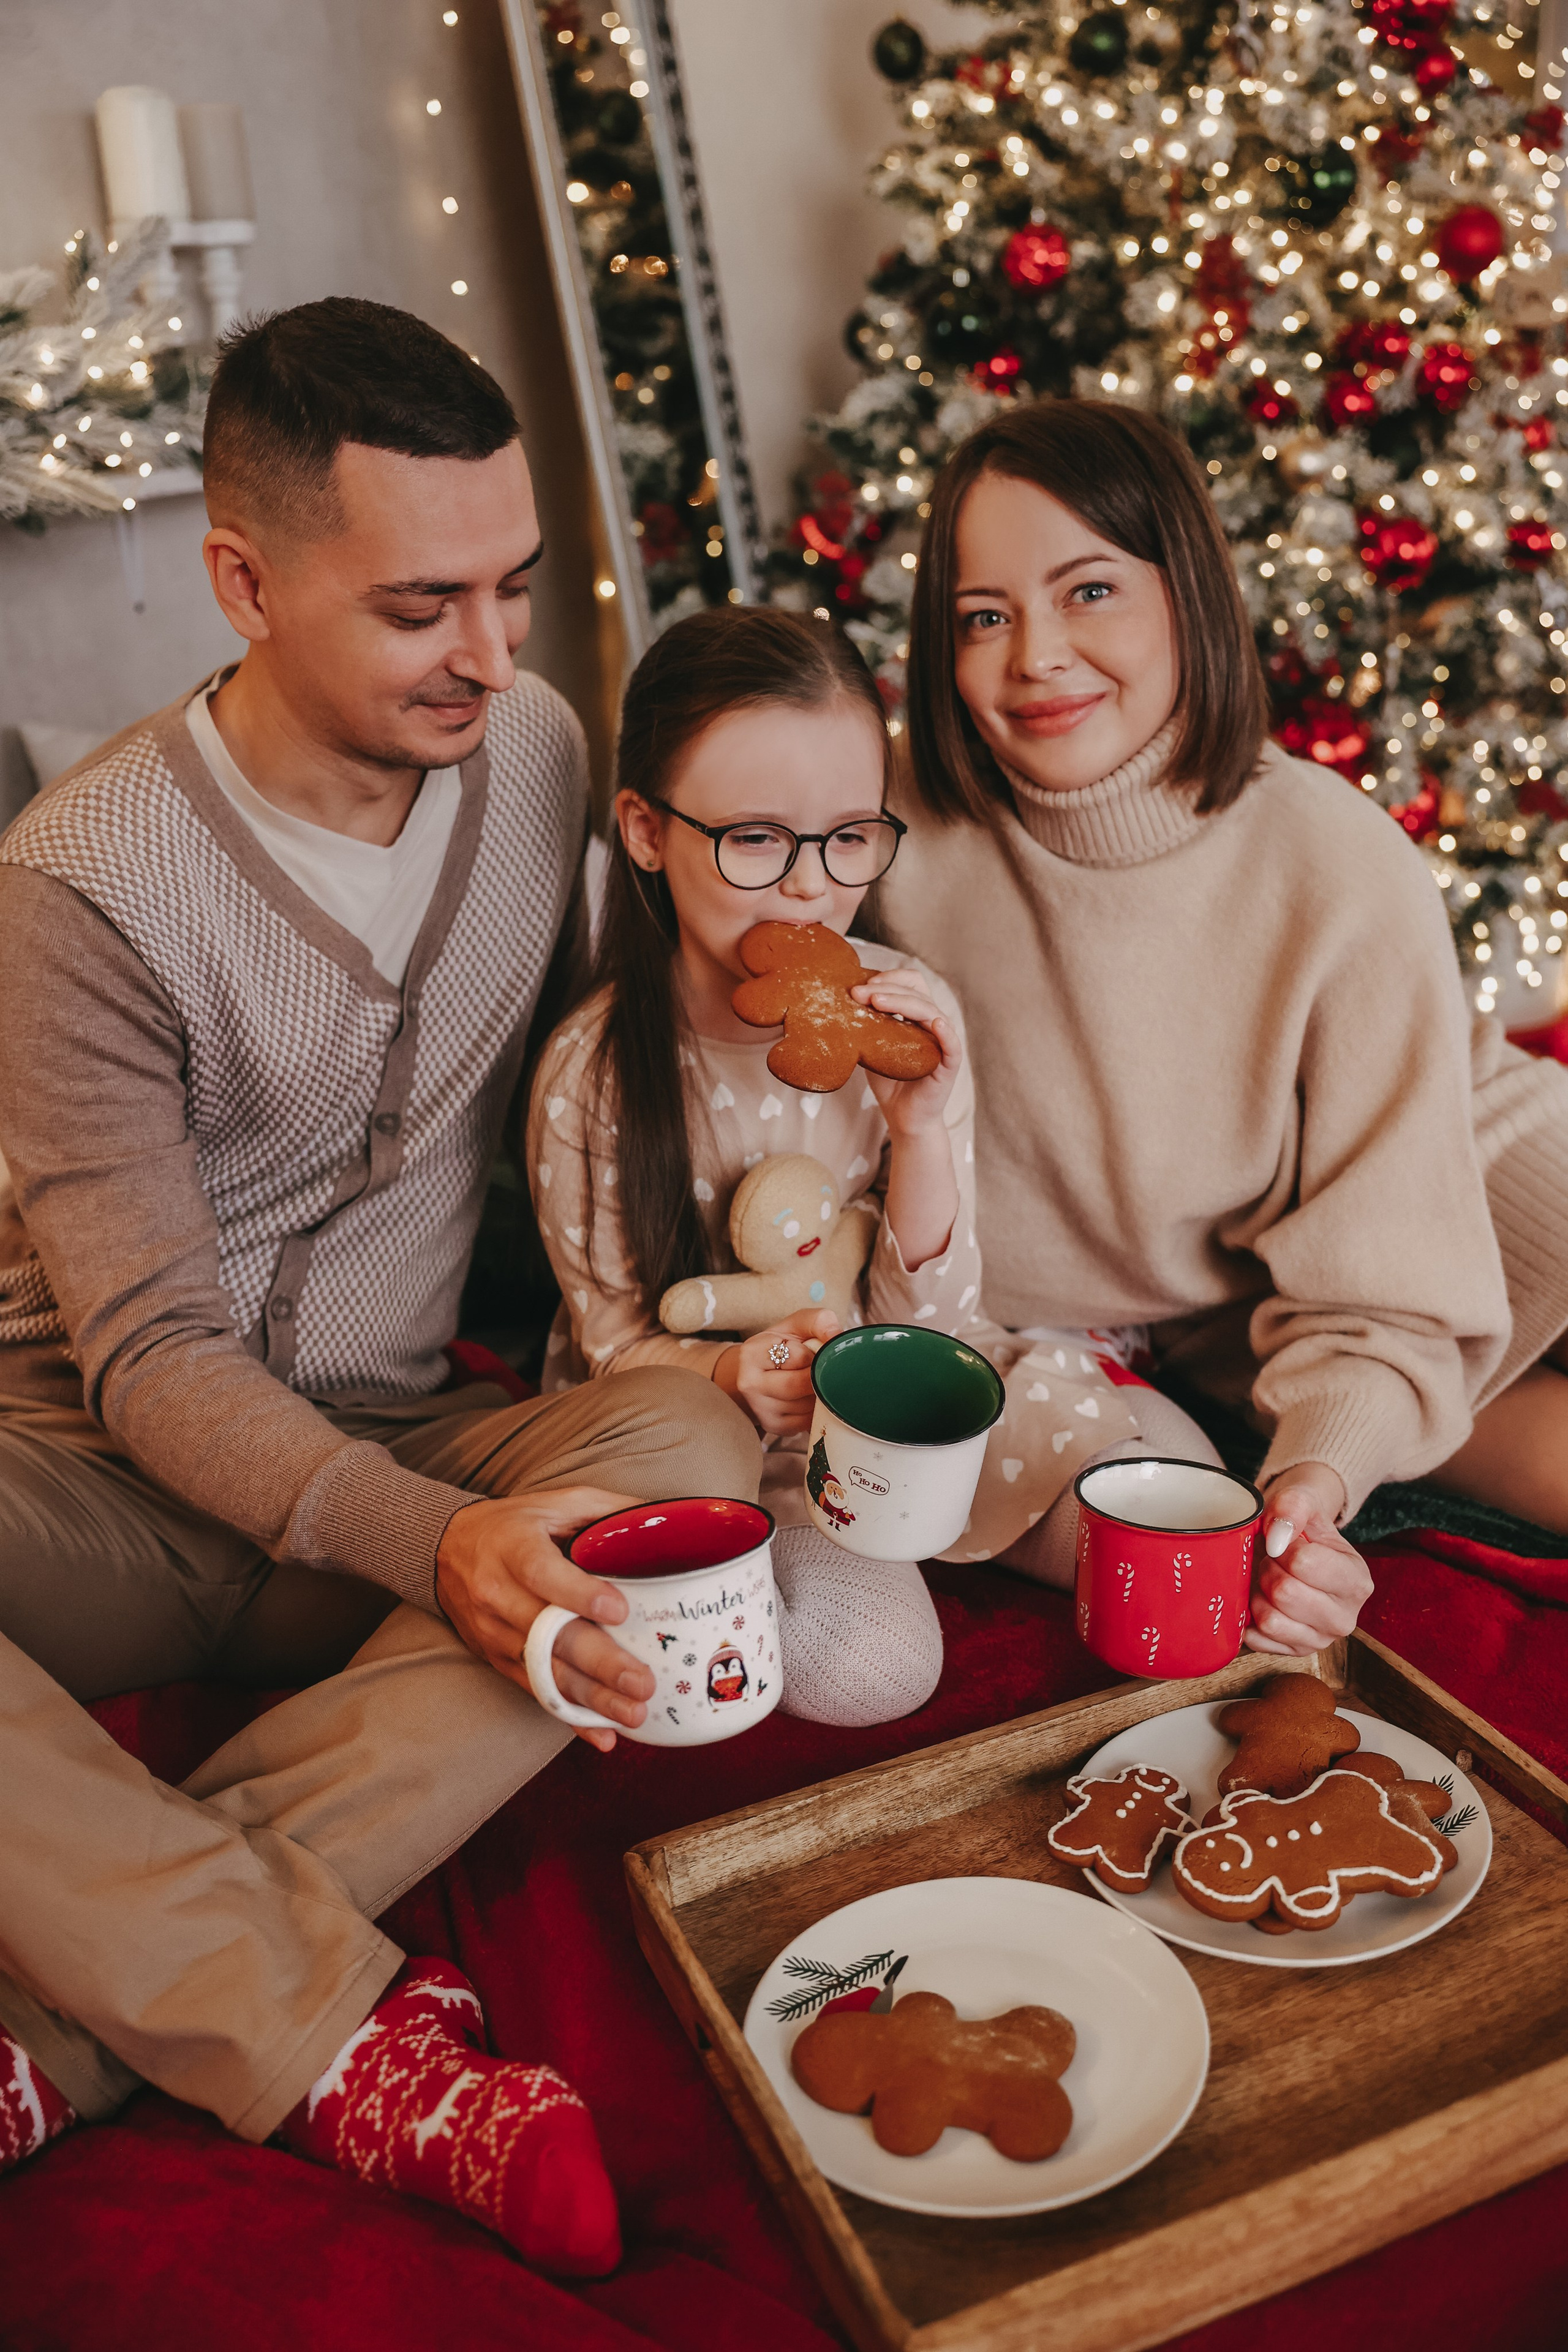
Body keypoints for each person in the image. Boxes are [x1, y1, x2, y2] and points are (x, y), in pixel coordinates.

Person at [0, 298, 763, 2275]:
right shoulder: (78, 886)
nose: (494, 659)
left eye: (515, 588)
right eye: (424, 607)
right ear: (243, 580)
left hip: (411, 1422)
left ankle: (71, 2022)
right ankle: (330, 2030)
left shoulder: (539, 757)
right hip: (97, 1473)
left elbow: (601, 1090)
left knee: (687, 1441)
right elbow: (156, 1353)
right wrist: (458, 1553)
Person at [886, 395, 1568, 1651]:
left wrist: (1328, 1446)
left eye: (1088, 591)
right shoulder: (885, 836)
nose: (1033, 653)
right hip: (1262, 1290)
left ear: (1182, 592)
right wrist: (1311, 1477)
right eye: (981, 616)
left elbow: (1393, 1234)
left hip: (1454, 1161)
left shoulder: (1329, 857)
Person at [525, 606, 1219, 1725]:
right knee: (873, 1669)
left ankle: (959, 1515)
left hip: (907, 1388)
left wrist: (924, 1131)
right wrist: (729, 1381)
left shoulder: (905, 1014)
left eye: (851, 835)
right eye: (755, 838)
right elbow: (608, 1347)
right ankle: (841, 1567)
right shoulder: (594, 1076)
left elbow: (944, 1319)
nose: (810, 888)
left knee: (1179, 1488)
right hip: (738, 1443)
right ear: (647, 831)